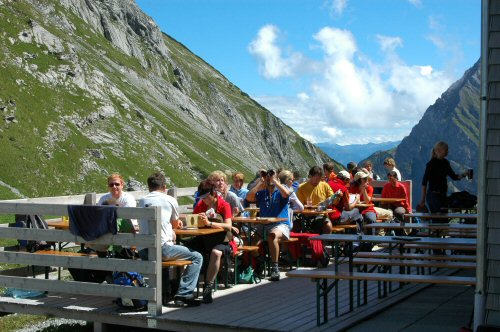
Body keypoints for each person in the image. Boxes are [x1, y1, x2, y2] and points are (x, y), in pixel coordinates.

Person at [137, 172, 203, 307]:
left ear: (149, 187)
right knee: (197, 257)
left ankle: (164, 295)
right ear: (164, 186)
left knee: (163, 263)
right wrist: (176, 225)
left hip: (143, 250)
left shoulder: (142, 201)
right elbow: (175, 224)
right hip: (163, 249)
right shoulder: (169, 200)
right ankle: (183, 294)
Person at [193, 179, 238, 303]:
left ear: (213, 194)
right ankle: (181, 288)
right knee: (186, 249)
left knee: (216, 253)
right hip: (204, 238)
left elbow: (228, 226)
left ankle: (208, 287)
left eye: (206, 197)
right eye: (201, 197)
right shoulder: (200, 205)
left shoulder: (224, 205)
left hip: (222, 240)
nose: (204, 200)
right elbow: (194, 220)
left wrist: (209, 223)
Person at [246, 169, 291, 281]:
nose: (269, 178)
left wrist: (275, 182)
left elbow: (286, 194)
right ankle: (260, 260)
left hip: (280, 224)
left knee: (272, 236)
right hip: (263, 224)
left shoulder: (281, 191)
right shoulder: (262, 192)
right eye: (268, 177)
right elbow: (249, 197)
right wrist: (261, 183)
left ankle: (275, 267)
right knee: (249, 241)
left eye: (272, 176)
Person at [418, 141, 469, 216]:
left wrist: (464, 175)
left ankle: (437, 227)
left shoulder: (446, 163)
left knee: (443, 219)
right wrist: (422, 200)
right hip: (433, 196)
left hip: (442, 196)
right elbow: (424, 183)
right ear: (439, 151)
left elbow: (454, 177)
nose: (447, 151)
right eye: (446, 150)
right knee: (439, 217)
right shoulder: (431, 164)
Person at [296, 166, 334, 234]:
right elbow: (299, 206)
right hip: (306, 216)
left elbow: (333, 199)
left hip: (321, 215)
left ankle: (323, 244)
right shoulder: (301, 187)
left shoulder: (325, 185)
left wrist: (337, 197)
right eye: (316, 178)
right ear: (310, 176)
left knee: (328, 225)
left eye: (319, 178)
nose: (318, 181)